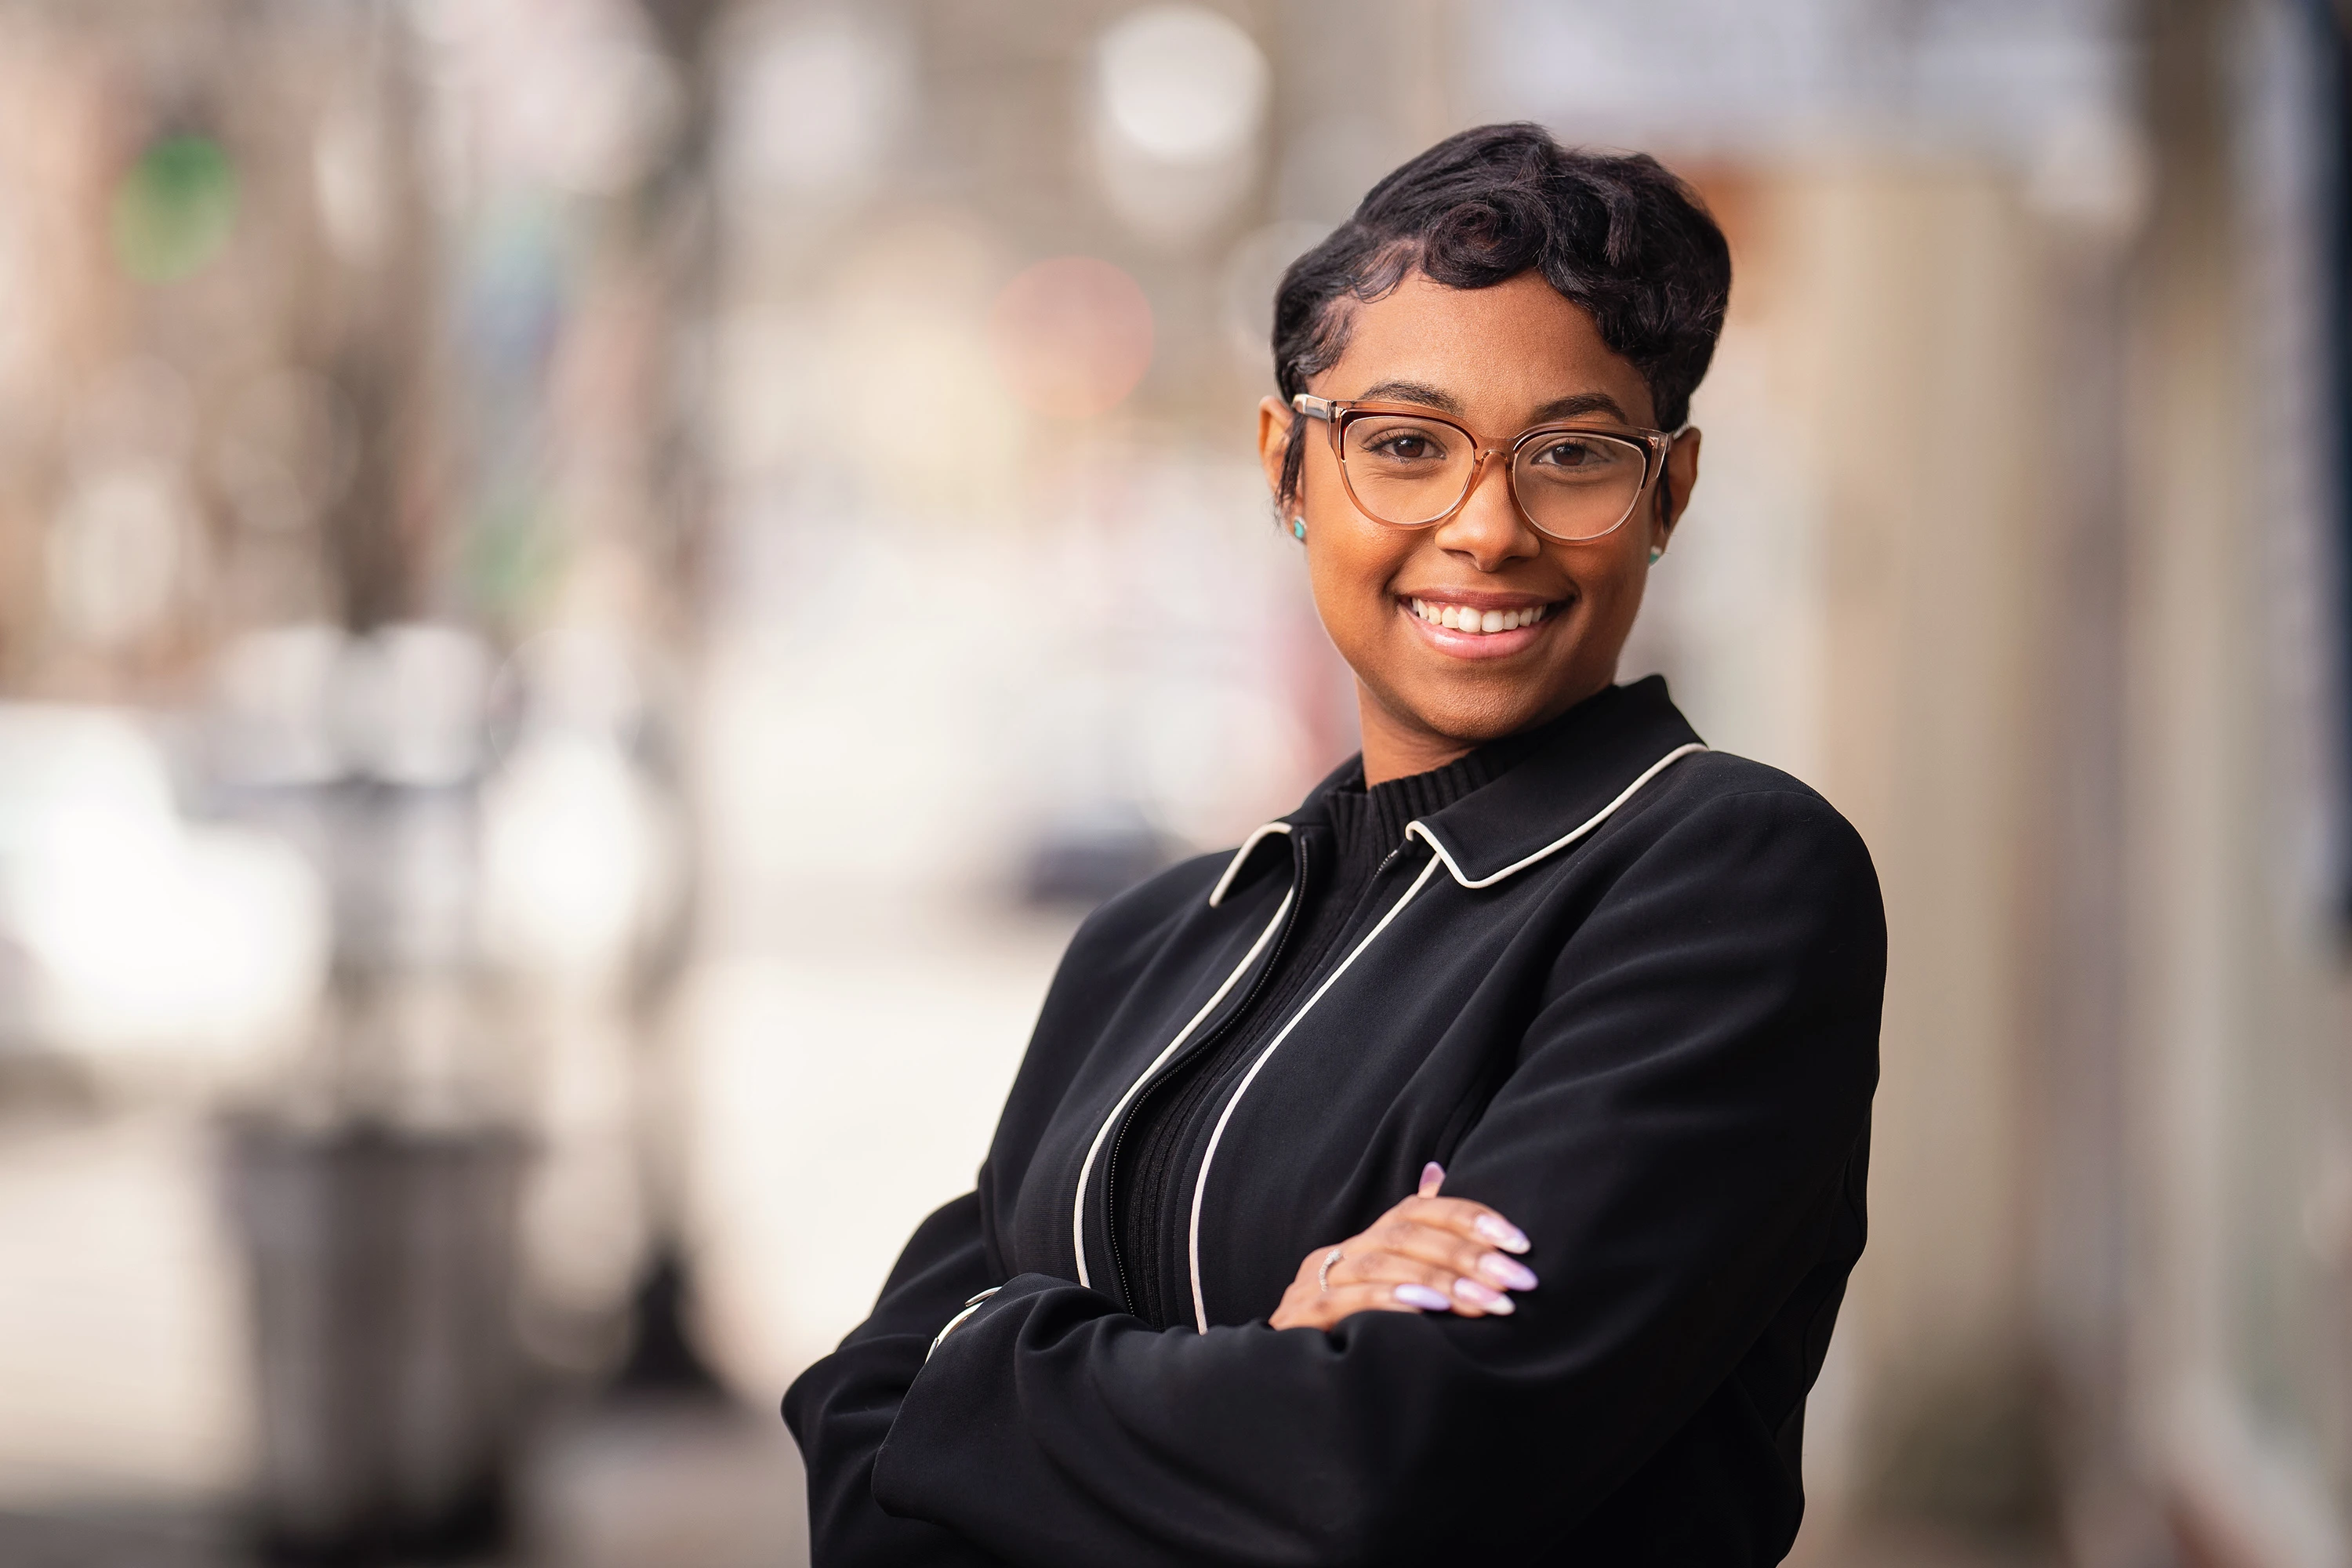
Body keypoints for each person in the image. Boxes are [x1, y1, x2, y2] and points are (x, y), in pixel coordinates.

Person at [783, 123, 1885, 1566]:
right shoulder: (1149, 948)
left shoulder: (1724, 884)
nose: (1486, 528)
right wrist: (1266, 1359)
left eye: (1572, 455)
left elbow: (1388, 1470)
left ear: (1666, 495)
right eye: (1408, 446)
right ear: (1289, 469)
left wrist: (981, 1381)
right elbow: (855, 1463)